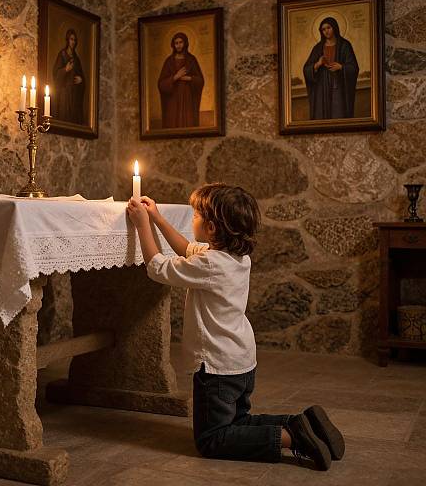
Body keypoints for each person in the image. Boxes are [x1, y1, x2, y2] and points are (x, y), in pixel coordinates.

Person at [126, 183, 345, 469]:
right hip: (241, 362)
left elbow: (157, 268)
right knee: (238, 422)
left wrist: (142, 225)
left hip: (216, 369)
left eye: (195, 216)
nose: (192, 220)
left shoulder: (210, 264)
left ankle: (292, 438)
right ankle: (302, 424)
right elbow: (188, 249)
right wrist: (157, 218)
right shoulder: (236, 259)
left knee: (212, 438)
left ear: (213, 228)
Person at [303, 17, 359, 120]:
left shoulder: (344, 45)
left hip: (338, 86)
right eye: (323, 29)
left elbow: (354, 67)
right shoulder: (318, 48)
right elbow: (306, 69)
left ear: (334, 28)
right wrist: (317, 64)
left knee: (339, 115)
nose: (326, 31)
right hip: (322, 88)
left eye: (328, 28)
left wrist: (341, 67)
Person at [157, 32, 204, 128]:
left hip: (187, 99)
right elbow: (161, 84)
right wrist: (175, 77)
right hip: (172, 100)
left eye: (180, 42)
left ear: (185, 43)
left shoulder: (191, 60)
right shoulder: (169, 61)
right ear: (173, 45)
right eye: (176, 43)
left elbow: (200, 81)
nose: (178, 45)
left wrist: (189, 78)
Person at [52, 28, 85, 124]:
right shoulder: (62, 55)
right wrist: (65, 70)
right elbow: (55, 74)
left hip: (74, 95)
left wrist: (81, 80)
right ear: (67, 40)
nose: (73, 42)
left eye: (74, 40)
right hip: (64, 94)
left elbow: (81, 75)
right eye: (71, 39)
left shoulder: (76, 58)